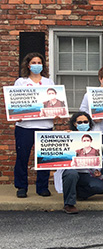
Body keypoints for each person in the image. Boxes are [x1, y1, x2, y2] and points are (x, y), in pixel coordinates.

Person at [14, 52, 55, 198]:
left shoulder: (49, 82)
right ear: (28, 65)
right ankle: (21, 187)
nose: (37, 65)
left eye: (39, 62)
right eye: (34, 62)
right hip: (25, 126)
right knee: (22, 157)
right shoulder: (21, 82)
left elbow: (55, 101)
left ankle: (42, 187)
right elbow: (16, 102)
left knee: (44, 157)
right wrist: (16, 114)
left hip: (44, 125)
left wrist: (57, 112)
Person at [57, 112, 103, 214]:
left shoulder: (96, 141)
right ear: (75, 124)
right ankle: (69, 204)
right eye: (80, 122)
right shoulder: (68, 136)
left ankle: (77, 192)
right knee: (72, 174)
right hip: (71, 172)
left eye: (85, 121)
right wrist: (65, 137)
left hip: (86, 174)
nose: (83, 124)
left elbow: (99, 160)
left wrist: (97, 170)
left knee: (100, 187)